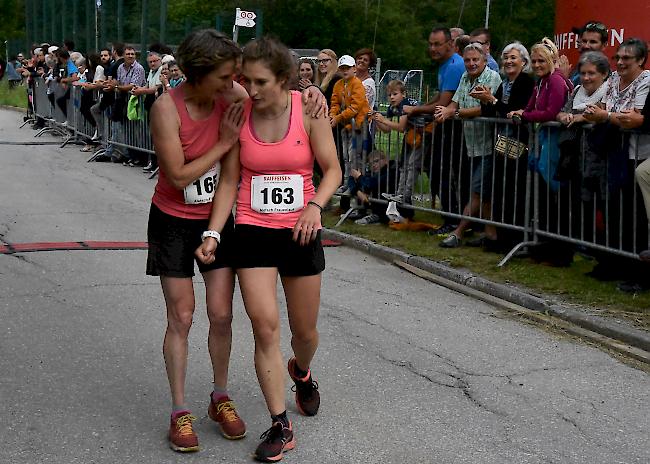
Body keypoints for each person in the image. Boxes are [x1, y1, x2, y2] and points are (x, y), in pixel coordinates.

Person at [195, 36, 341, 462]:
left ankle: (301, 371)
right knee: (264, 327)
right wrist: (213, 233)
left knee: (304, 333)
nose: (252, 90)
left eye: (260, 82)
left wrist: (314, 206)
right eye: (246, 80)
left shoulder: (309, 110)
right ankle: (280, 423)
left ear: (284, 79)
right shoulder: (240, 116)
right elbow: (228, 182)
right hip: (254, 231)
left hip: (301, 230)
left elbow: (332, 170)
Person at [147, 30, 250, 453]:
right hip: (171, 219)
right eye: (224, 77)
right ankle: (178, 409)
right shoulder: (165, 109)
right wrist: (225, 142)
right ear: (196, 75)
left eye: (234, 76)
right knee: (182, 317)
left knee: (222, 314)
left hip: (216, 216)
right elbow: (179, 175)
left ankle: (220, 396)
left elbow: (278, 96)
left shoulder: (234, 97)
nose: (233, 85)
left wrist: (314, 93)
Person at [434, 43, 502, 248]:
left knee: (476, 190)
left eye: (475, 60)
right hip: (471, 144)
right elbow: (456, 102)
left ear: (484, 61)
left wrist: (452, 113)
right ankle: (491, 235)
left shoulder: (492, 78)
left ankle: (459, 231)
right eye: (467, 60)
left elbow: (483, 110)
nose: (471, 64)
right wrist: (445, 111)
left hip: (490, 143)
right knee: (483, 193)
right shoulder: (464, 77)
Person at [472, 42, 535, 250]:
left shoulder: (526, 82)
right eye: (506, 57)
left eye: (513, 57)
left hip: (519, 142)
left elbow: (513, 111)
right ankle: (500, 237)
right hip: (502, 142)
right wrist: (484, 99)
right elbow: (494, 112)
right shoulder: (505, 83)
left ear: (524, 62)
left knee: (513, 190)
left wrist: (492, 100)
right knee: (500, 189)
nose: (508, 61)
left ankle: (513, 239)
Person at [405, 26, 466, 236]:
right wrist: (421, 106)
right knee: (436, 169)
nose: (433, 48)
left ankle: (453, 219)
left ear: (450, 44)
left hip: (454, 128)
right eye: (430, 44)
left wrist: (415, 109)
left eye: (437, 44)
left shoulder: (454, 65)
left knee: (443, 171)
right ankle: (451, 217)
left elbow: (443, 102)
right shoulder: (444, 66)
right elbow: (439, 98)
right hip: (444, 125)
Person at [372, 79, 422, 211]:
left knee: (412, 165)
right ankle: (399, 194)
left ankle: (406, 195)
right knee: (403, 164)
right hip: (412, 134)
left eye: (395, 94)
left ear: (403, 94)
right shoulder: (392, 108)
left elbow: (400, 127)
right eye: (389, 95)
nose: (392, 97)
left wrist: (383, 120)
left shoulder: (404, 105)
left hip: (424, 134)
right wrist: (377, 120)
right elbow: (387, 129)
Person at [329, 54, 370, 192]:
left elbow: (355, 107)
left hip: (358, 126)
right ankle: (347, 183)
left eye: (347, 68)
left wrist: (338, 118)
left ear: (354, 69)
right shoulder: (338, 84)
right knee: (346, 156)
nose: (345, 71)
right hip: (345, 125)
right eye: (342, 68)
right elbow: (334, 102)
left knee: (355, 157)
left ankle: (355, 186)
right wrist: (332, 116)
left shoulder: (357, 84)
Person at [558, 20, 609, 86]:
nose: (586, 46)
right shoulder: (577, 69)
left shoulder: (604, 73)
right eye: (584, 41)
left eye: (593, 42)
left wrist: (563, 78)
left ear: (604, 45)